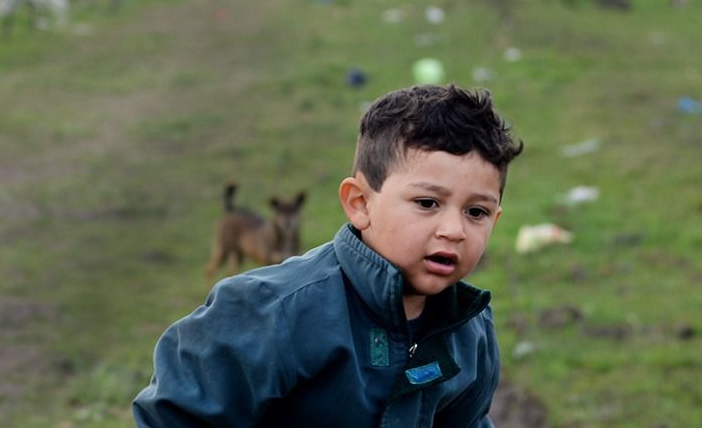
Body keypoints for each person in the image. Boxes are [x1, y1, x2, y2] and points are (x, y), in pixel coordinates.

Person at [132, 84, 524, 428]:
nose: (453, 230)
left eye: (477, 212)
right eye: (427, 202)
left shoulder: (469, 328)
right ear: (359, 204)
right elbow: (173, 414)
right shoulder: (272, 311)